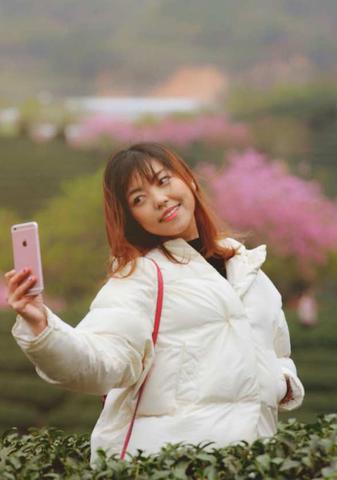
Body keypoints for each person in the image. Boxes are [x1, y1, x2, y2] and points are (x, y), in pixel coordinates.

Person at [4, 142, 305, 466]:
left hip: (248, 462)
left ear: (188, 179)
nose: (159, 200)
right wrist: (42, 326)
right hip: (169, 465)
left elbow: (278, 352)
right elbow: (100, 362)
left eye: (163, 181)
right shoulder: (141, 278)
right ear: (133, 218)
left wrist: (282, 383)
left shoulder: (248, 268)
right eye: (139, 199)